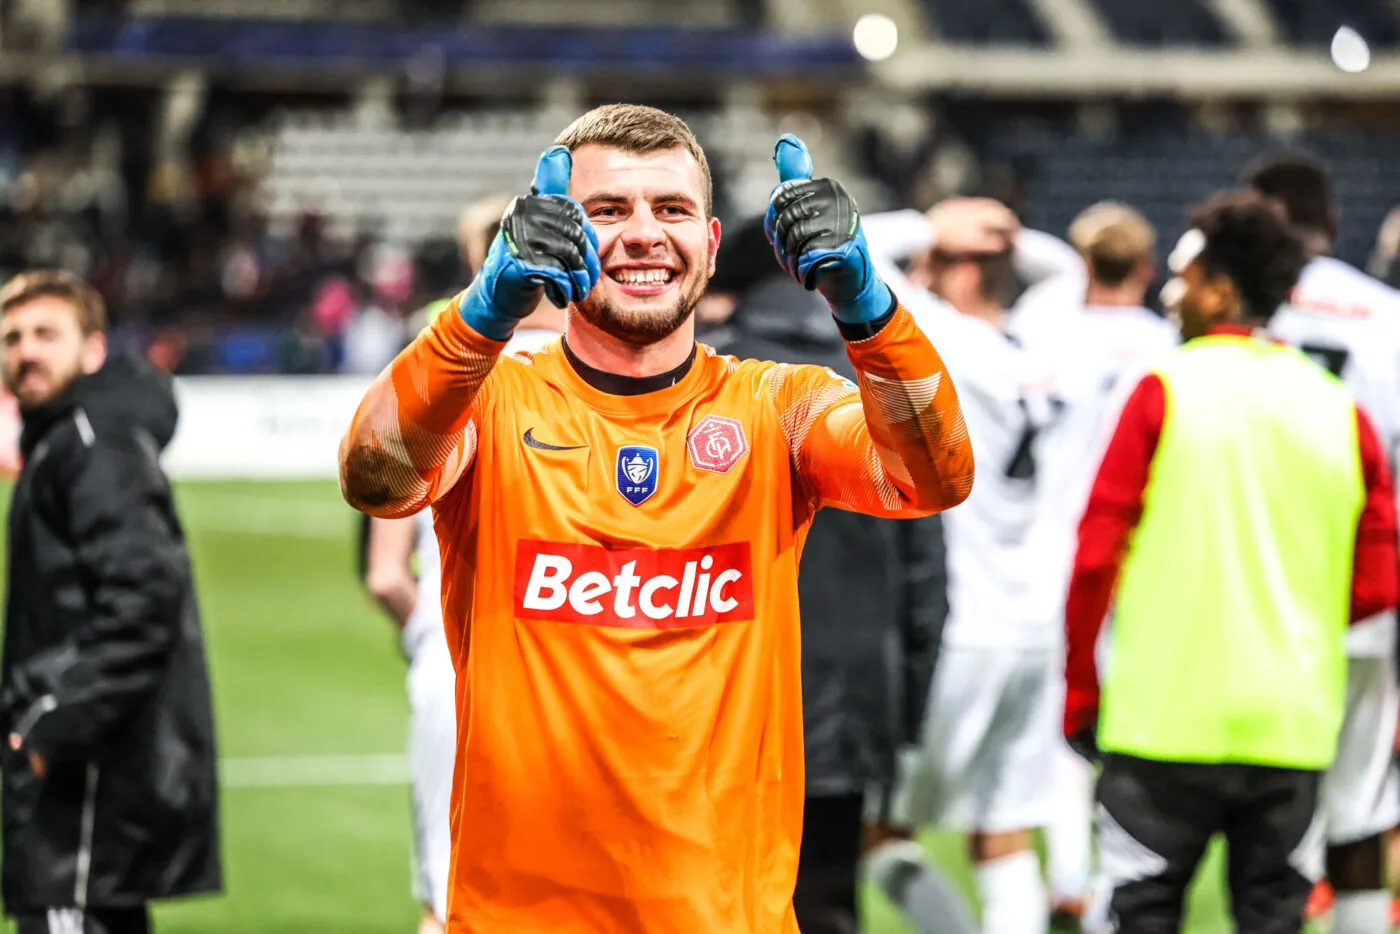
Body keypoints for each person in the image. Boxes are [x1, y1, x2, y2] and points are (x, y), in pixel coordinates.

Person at [337, 105, 974, 932]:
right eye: (608, 212)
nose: (643, 234)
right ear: (556, 232)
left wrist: (868, 307)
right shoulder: (494, 404)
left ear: (711, 243)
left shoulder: (776, 407)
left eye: (670, 210)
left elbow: (933, 473)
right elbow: (376, 475)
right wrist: (481, 313)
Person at [1064, 191, 1400, 933]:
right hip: (1291, 725)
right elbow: (1378, 586)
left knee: (1138, 913)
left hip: (1162, 720)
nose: (1172, 293)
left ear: (1220, 289)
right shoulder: (1339, 409)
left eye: (1186, 278)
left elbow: (1094, 557)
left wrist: (1082, 691)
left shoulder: (1162, 390)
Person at [706, 216, 970, 934]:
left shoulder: (706, 384)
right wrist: (905, 707)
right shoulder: (874, 384)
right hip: (856, 693)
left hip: (725, 695)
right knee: (826, 901)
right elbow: (928, 570)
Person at [359, 190, 570, 934]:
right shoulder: (621, 378)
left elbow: (386, 568)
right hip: (596, 670)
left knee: (452, 902)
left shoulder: (438, 375)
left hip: (458, 660)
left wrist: (435, 632)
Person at [0, 269, 222, 934]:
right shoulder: (68, 438)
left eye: (46, 334)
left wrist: (53, 725)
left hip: (85, 782)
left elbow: (145, 596)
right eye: (11, 338)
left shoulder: (96, 444)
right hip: (85, 781)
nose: (25, 351)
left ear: (93, 349)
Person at [863, 198, 1060, 934]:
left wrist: (932, 223)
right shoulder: (1048, 344)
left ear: (961, 269)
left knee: (881, 836)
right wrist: (1001, 229)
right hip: (1037, 631)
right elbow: (1069, 266)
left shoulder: (941, 341)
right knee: (1004, 836)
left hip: (960, 630)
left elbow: (856, 250)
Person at [1245, 153, 1400, 934]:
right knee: (1361, 807)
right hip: (1362, 595)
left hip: (1251, 587)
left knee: (1258, 810)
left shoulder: (1237, 308)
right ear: (1331, 225)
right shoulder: (1386, 313)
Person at [1021, 201, 1180, 926]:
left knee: (1066, 718)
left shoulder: (1047, 336)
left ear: (1085, 263)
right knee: (1131, 718)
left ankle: (1071, 879)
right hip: (1144, 553)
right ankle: (1124, 863)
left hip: (1053, 544)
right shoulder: (1167, 344)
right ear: (1147, 268)